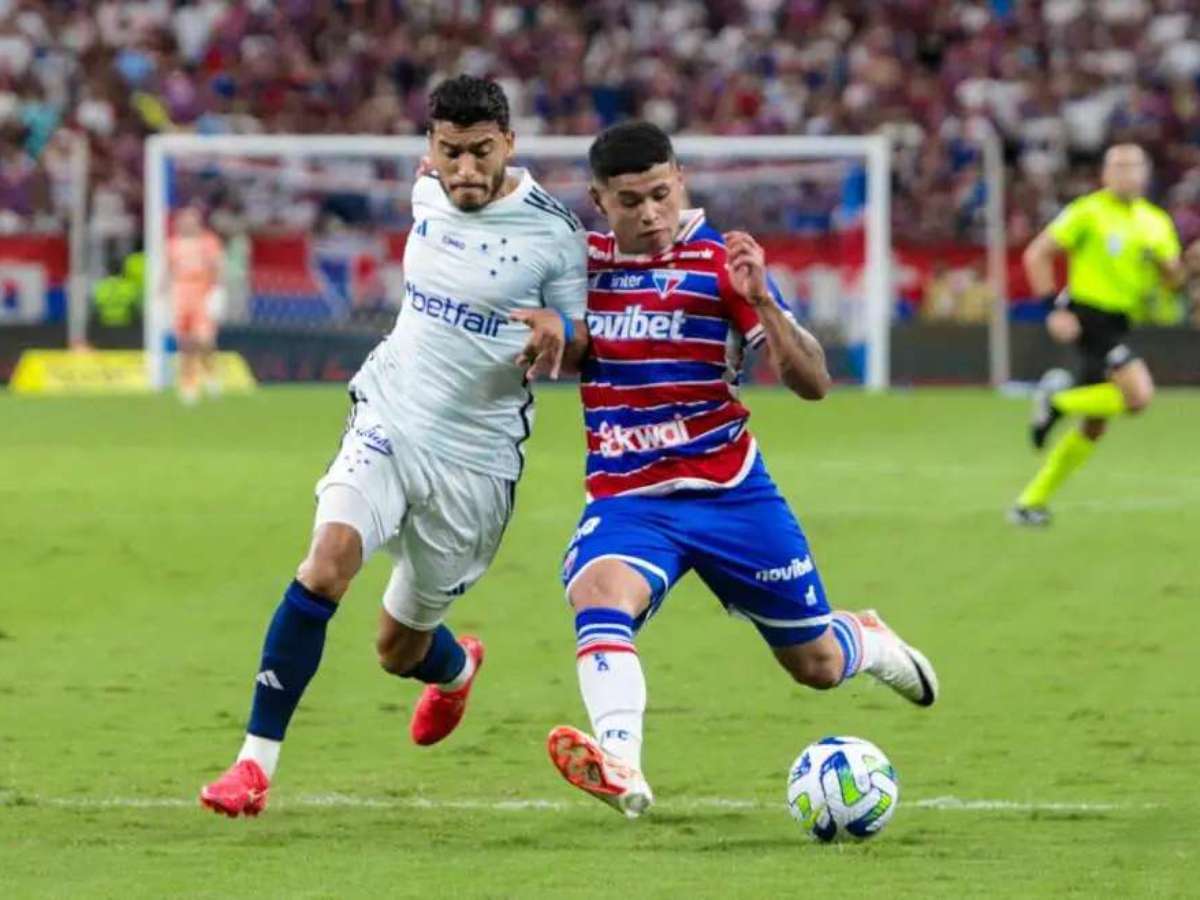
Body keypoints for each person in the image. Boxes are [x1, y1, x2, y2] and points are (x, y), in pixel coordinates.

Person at [199, 75, 588, 817]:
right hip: (389, 413)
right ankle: (252, 766)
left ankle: (455, 672)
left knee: (397, 649)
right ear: (429, 149)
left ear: (509, 144)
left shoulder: (554, 232)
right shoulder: (426, 190)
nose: (464, 169)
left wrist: (562, 333)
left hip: (475, 460)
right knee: (326, 563)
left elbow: (586, 347)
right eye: (450, 152)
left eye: (481, 152)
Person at [545, 122, 939, 818]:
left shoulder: (721, 263)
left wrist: (762, 302)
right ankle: (621, 763)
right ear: (599, 201)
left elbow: (813, 383)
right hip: (629, 498)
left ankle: (867, 640)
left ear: (681, 181)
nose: (650, 213)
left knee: (816, 666)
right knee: (598, 593)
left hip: (732, 495)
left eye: (661, 194)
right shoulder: (577, 265)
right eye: (630, 201)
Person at [1010, 144, 1189, 526]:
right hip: (1090, 317)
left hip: (1123, 321)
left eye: (1134, 166)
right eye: (1118, 167)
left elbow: (1173, 282)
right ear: (1105, 174)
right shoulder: (1087, 211)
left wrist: (1181, 267)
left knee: (1094, 424)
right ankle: (1056, 400)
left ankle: (1029, 503)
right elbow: (1037, 254)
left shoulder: (1155, 222)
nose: (1127, 174)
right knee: (1138, 396)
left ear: (1146, 174)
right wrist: (1053, 309)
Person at [166, 205, 224, 403]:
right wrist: (162, 294)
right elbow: (169, 269)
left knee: (205, 341)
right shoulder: (173, 244)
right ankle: (188, 384)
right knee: (185, 343)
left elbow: (216, 266)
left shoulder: (208, 241)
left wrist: (217, 291)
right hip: (181, 294)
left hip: (202, 292)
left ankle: (211, 375)